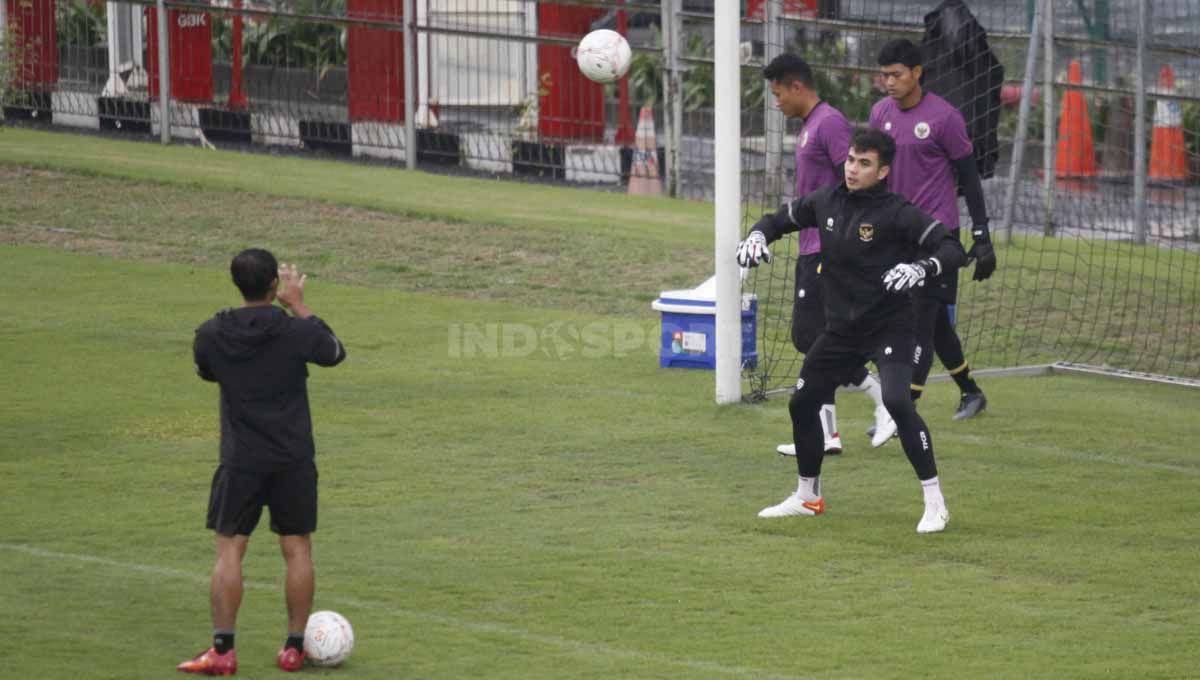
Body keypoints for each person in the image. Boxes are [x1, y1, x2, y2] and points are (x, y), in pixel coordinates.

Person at [736, 128, 966, 533]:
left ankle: (935, 502)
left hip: (891, 327)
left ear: (883, 171)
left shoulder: (898, 212)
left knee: (897, 401)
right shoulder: (826, 201)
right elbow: (777, 221)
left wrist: (920, 268)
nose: (853, 169)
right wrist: (756, 235)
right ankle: (808, 497)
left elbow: (951, 249)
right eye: (851, 160)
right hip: (842, 330)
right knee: (802, 402)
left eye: (864, 163)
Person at [179, 249, 346, 674]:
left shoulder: (212, 333)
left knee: (231, 550)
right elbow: (334, 352)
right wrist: (300, 305)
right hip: (293, 458)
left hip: (241, 460)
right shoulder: (295, 332)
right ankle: (294, 648)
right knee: (297, 548)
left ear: (237, 283)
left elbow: (207, 370)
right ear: (275, 285)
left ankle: (223, 651)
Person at [760, 52, 897, 456]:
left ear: (796, 86)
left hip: (828, 247)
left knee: (813, 337)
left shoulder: (830, 123)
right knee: (815, 339)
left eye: (778, 92)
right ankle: (827, 435)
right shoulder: (810, 127)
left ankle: (883, 400)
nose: (777, 101)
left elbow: (855, 181)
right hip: (811, 244)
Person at [870, 38, 997, 420]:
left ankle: (900, 411)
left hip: (937, 238)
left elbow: (969, 178)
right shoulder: (880, 115)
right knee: (936, 322)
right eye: (884, 76)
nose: (889, 82)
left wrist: (981, 234)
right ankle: (971, 392)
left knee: (919, 321)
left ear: (917, 73)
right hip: (896, 235)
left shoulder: (945, 118)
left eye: (896, 75)